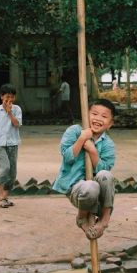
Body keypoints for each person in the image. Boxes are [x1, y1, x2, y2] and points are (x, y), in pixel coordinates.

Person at [52, 98, 116, 239]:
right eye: (94, 114)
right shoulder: (74, 131)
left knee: (106, 175)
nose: (98, 118)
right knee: (90, 186)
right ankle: (81, 218)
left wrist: (93, 151)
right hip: (78, 190)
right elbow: (67, 157)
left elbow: (104, 172)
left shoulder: (108, 145)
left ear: (110, 124)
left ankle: (104, 219)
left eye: (104, 116)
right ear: (86, 115)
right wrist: (81, 140)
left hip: (99, 196)